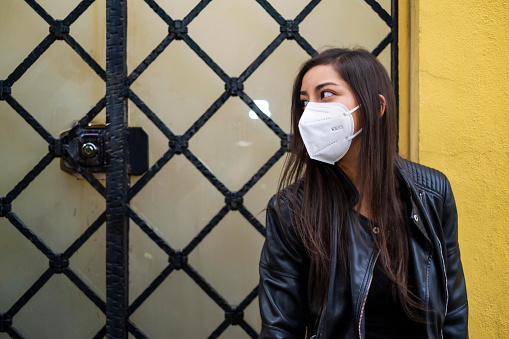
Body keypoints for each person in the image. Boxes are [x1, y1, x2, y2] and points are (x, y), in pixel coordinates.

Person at [258, 48, 468, 339]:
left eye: (326, 94)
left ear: (376, 107)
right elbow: (280, 328)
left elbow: (453, 309)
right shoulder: (290, 210)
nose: (310, 112)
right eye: (305, 101)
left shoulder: (432, 192)